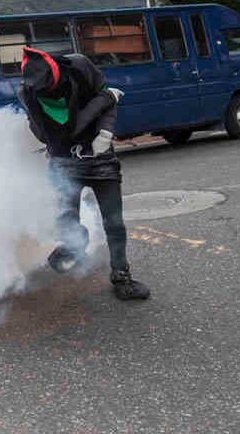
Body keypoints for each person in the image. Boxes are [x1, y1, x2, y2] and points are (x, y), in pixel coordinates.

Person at [16, 46, 150, 301]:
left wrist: (105, 134)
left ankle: (122, 277)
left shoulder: (80, 67)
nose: (49, 95)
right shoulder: (27, 93)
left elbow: (105, 98)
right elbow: (48, 133)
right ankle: (73, 249)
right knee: (67, 221)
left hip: (101, 158)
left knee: (114, 223)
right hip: (64, 160)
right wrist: (105, 101)